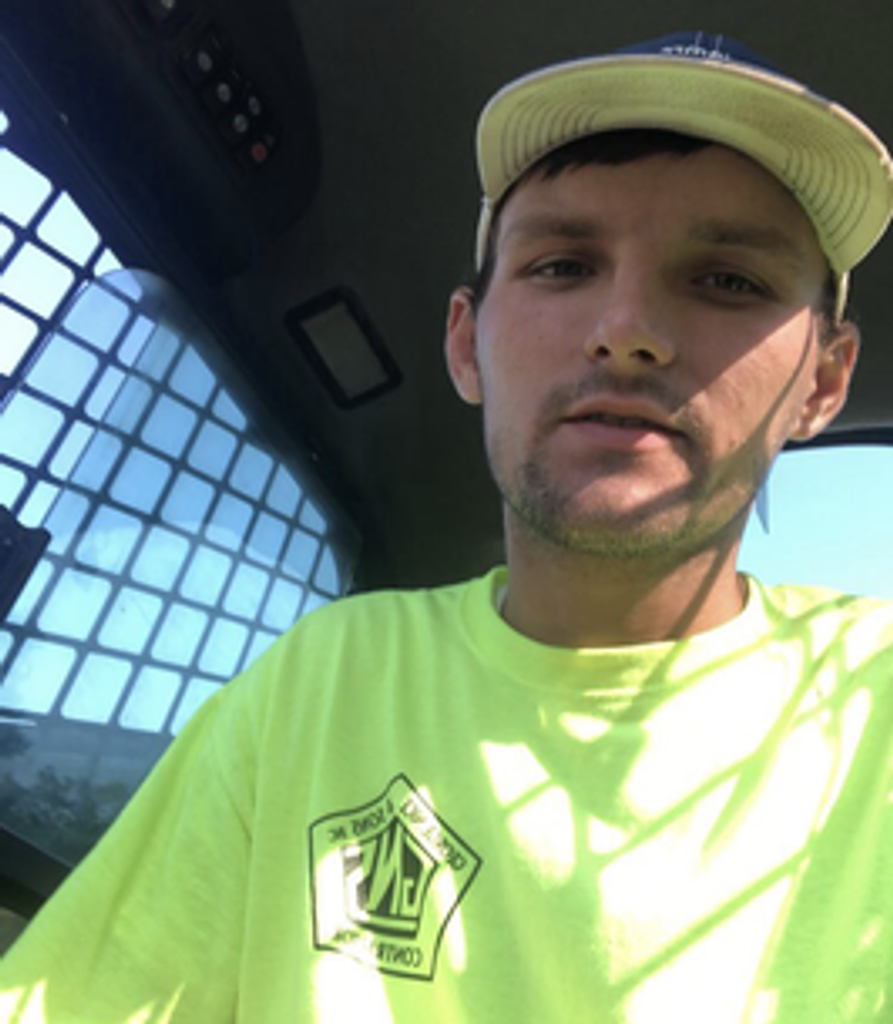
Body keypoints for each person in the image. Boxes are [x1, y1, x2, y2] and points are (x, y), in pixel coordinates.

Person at [2, 28, 893, 1024]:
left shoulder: (871, 696)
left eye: (728, 280)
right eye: (563, 264)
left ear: (823, 381)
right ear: (465, 346)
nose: (626, 330)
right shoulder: (321, 680)